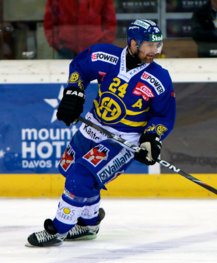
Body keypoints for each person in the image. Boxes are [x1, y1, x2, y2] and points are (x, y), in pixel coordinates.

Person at [26, 19, 176, 247]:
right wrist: (74, 91)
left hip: (124, 140)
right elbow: (80, 66)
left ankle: (58, 230)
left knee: (80, 177)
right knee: (68, 169)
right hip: (93, 127)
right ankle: (88, 224)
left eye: (158, 45)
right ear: (133, 43)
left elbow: (163, 116)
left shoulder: (160, 78)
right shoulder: (105, 55)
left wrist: (151, 139)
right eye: (149, 45)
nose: (154, 51)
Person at [43, 0, 117, 59]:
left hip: (93, 51)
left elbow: (110, 23)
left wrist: (102, 47)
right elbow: (49, 21)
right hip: (66, 50)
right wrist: (58, 45)